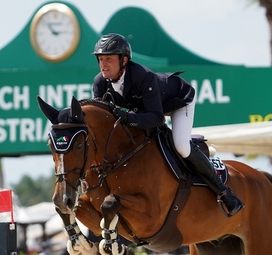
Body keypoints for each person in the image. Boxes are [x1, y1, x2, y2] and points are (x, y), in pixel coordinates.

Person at [91, 33, 243, 217]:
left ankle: (225, 192)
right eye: (100, 59)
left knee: (181, 145)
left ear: (124, 60)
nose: (103, 64)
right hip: (146, 109)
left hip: (177, 102)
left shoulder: (142, 76)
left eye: (109, 59)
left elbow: (156, 118)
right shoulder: (100, 83)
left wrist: (126, 117)